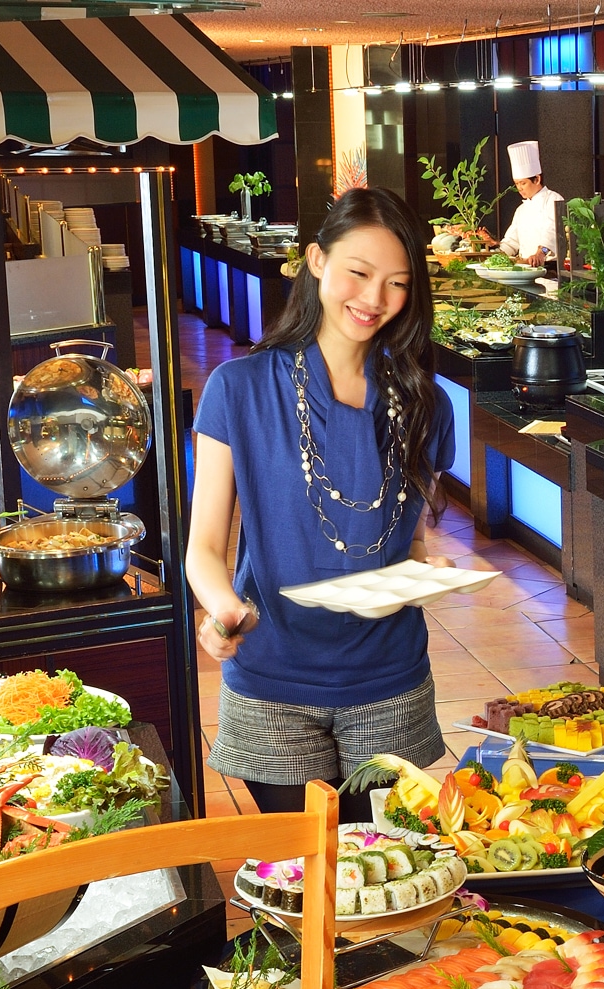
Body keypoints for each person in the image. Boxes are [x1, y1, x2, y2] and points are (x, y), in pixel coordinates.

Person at [186, 186, 464, 819]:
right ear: (316, 262)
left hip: (388, 680)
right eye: (358, 274)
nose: (373, 300)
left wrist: (427, 575)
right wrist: (224, 607)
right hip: (272, 677)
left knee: (380, 879)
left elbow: (408, 538)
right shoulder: (239, 388)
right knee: (302, 883)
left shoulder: (425, 403)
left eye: (396, 283)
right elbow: (204, 545)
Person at [497, 140, 564, 267]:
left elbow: (553, 231)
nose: (519, 188)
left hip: (550, 268)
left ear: (537, 179)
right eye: (516, 184)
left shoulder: (554, 199)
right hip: (525, 266)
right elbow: (511, 241)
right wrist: (498, 255)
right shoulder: (521, 210)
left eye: (523, 183)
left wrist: (540, 253)